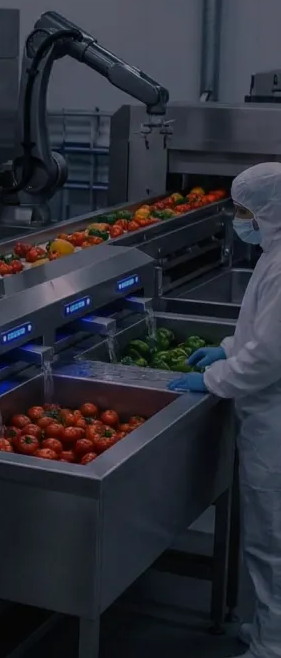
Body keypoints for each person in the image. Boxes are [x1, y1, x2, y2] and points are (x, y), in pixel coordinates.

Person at [167, 162, 281, 658]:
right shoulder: (273, 251)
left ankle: (271, 646)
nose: (240, 219)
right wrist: (231, 346)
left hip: (275, 421)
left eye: (244, 211)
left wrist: (215, 378)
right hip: (266, 409)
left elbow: (270, 355)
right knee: (266, 537)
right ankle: (266, 629)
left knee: (272, 541)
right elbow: (261, 333)